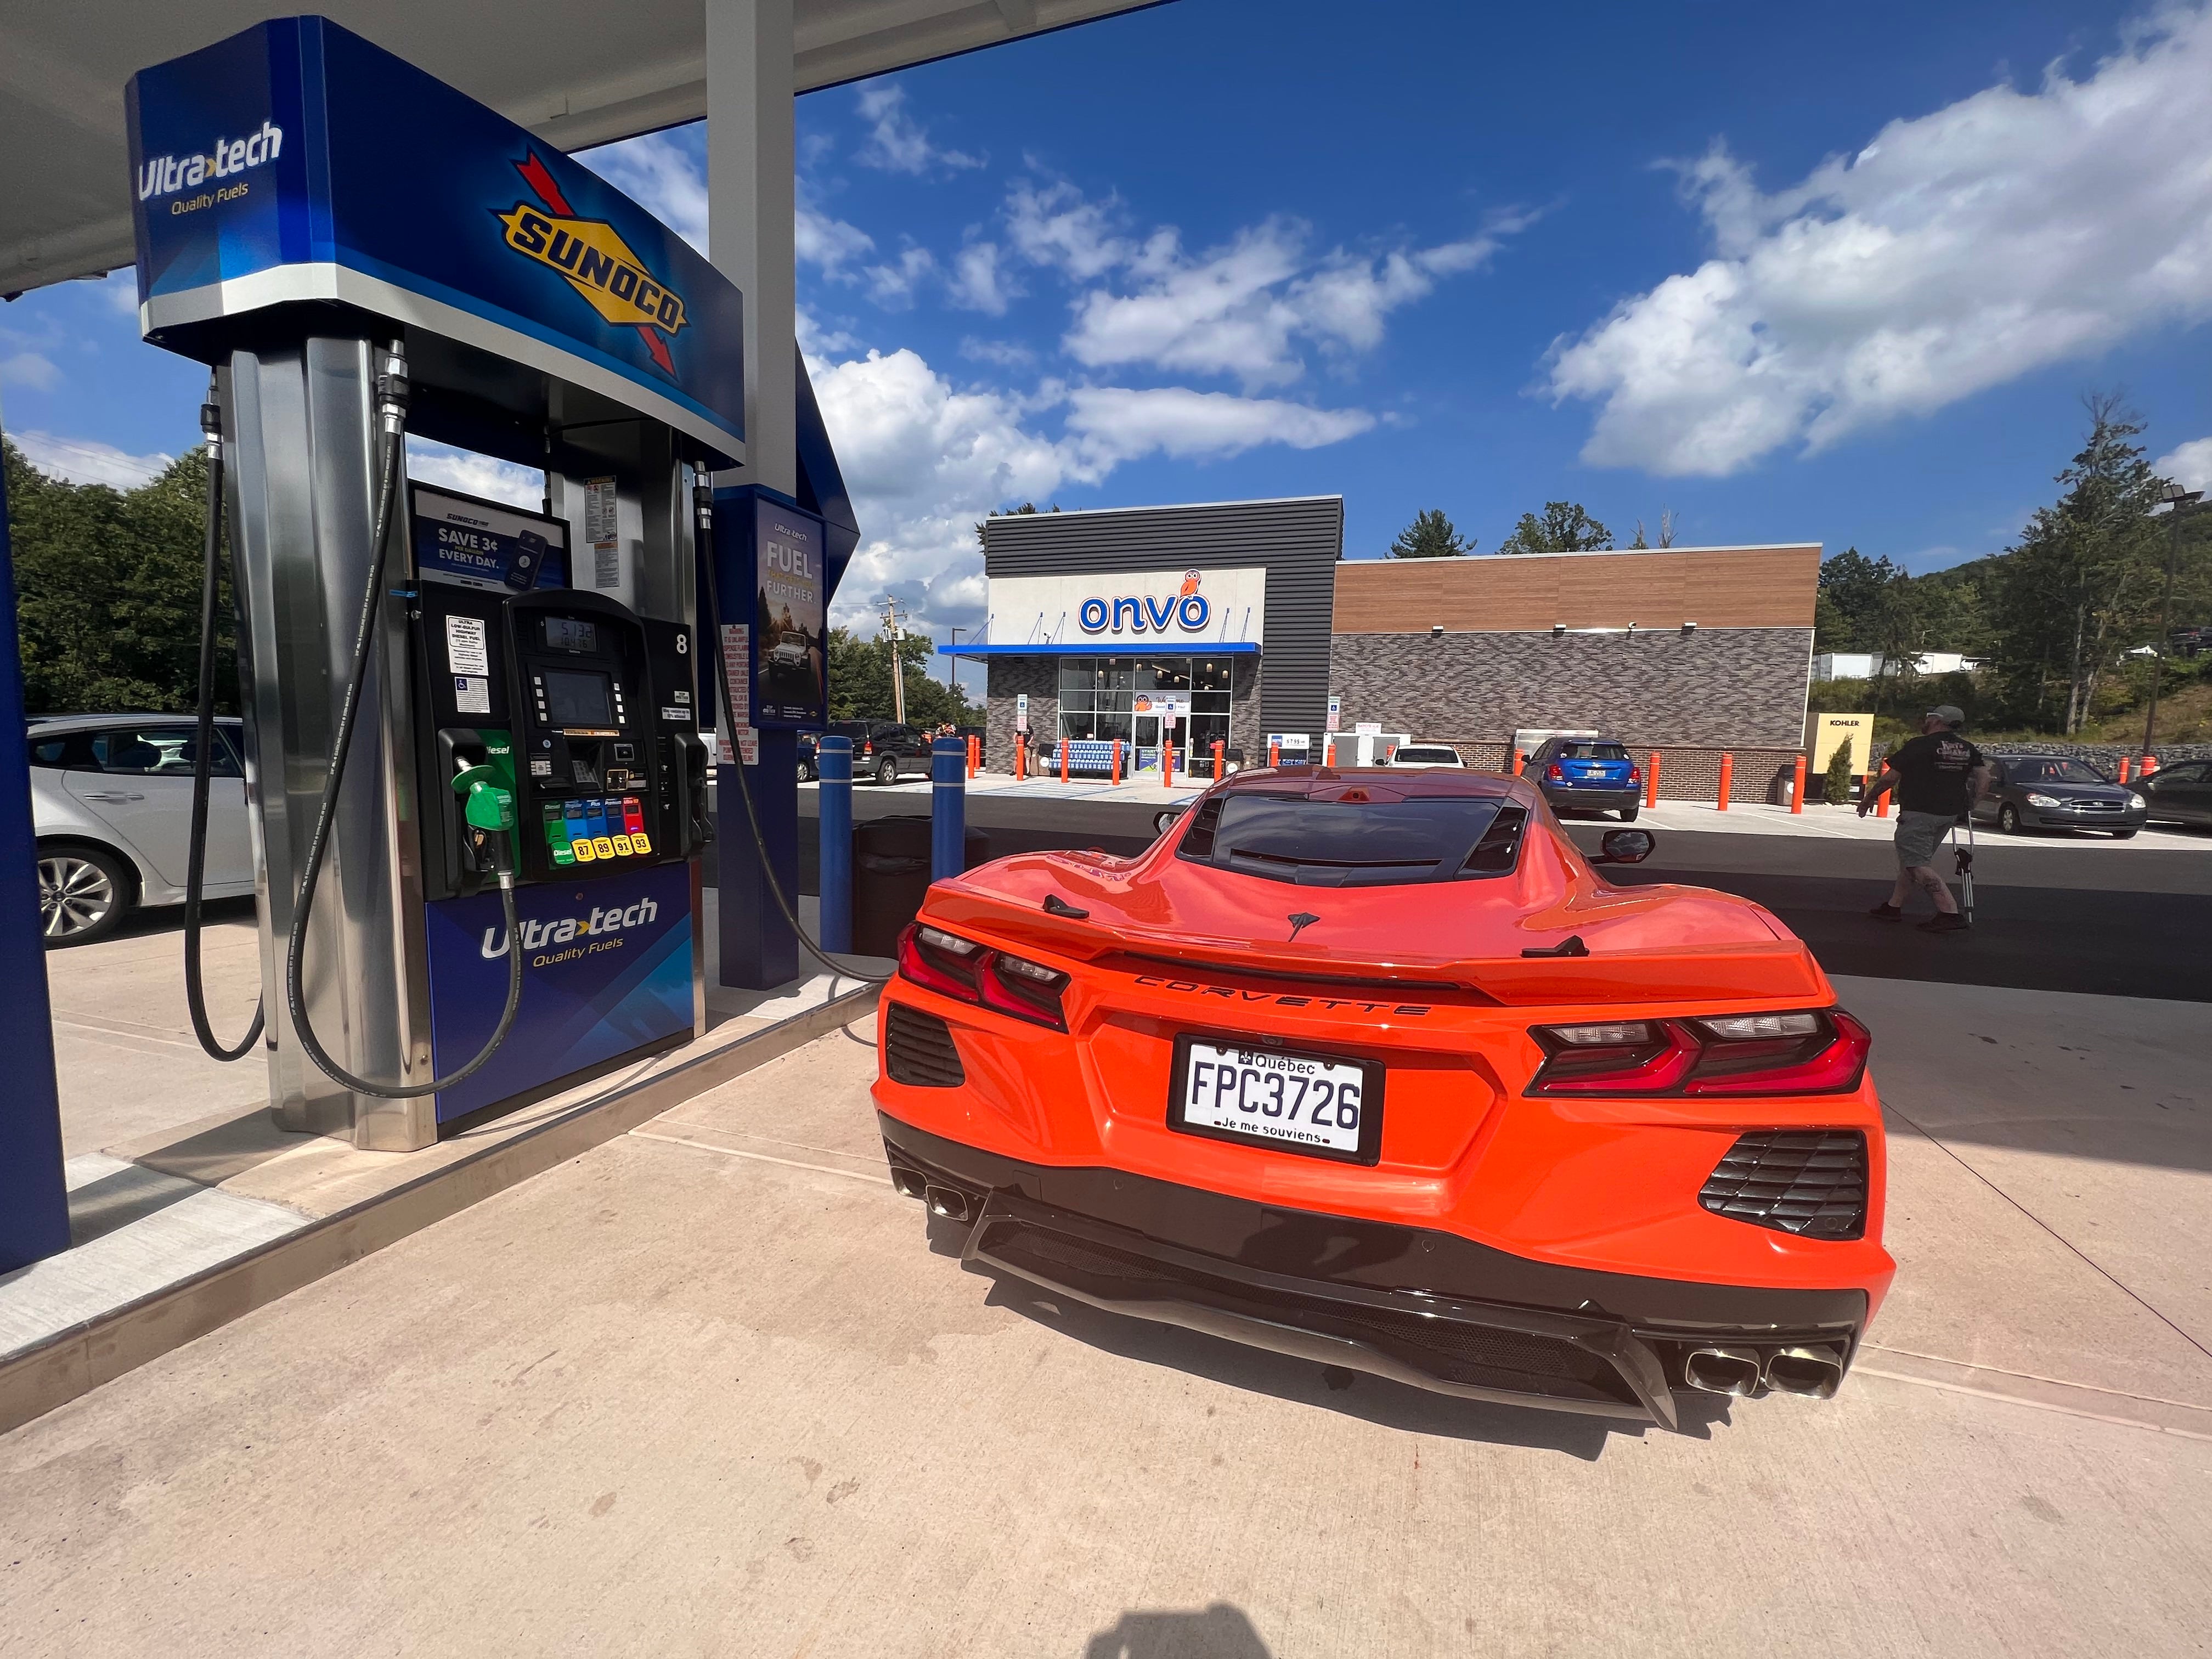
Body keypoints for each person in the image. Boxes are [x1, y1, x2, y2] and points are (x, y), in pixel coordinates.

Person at [1857, 704, 1991, 933]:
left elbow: (1890, 779)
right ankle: (1893, 907)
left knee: (1916, 864)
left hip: (1919, 812)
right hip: (1948, 814)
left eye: (1929, 717)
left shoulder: (1920, 745)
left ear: (1937, 721)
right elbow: (1984, 777)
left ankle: (1949, 912)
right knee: (1912, 860)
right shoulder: (1967, 748)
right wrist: (1973, 804)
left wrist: (1870, 798)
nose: (1925, 720)